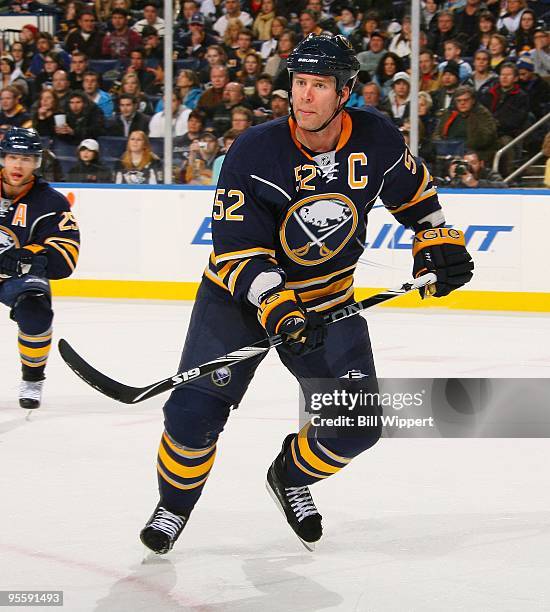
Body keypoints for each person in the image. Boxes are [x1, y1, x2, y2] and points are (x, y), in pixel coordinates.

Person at [138, 33, 473, 556]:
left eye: (319, 85)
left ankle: (289, 476)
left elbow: (416, 195)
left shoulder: (378, 138)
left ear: (344, 93)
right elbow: (235, 251)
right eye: (299, 83)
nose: (305, 96)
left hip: (329, 302)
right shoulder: (254, 150)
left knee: (355, 427)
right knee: (191, 418)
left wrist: (436, 240)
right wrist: (277, 304)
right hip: (241, 302)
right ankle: (174, 506)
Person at [0, 127, 80, 409]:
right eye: (12, 157)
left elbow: (66, 258)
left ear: (37, 162)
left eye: (25, 158)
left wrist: (26, 256)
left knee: (36, 312)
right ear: (3, 159)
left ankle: (32, 379)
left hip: (17, 276)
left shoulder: (51, 202)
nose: (18, 165)